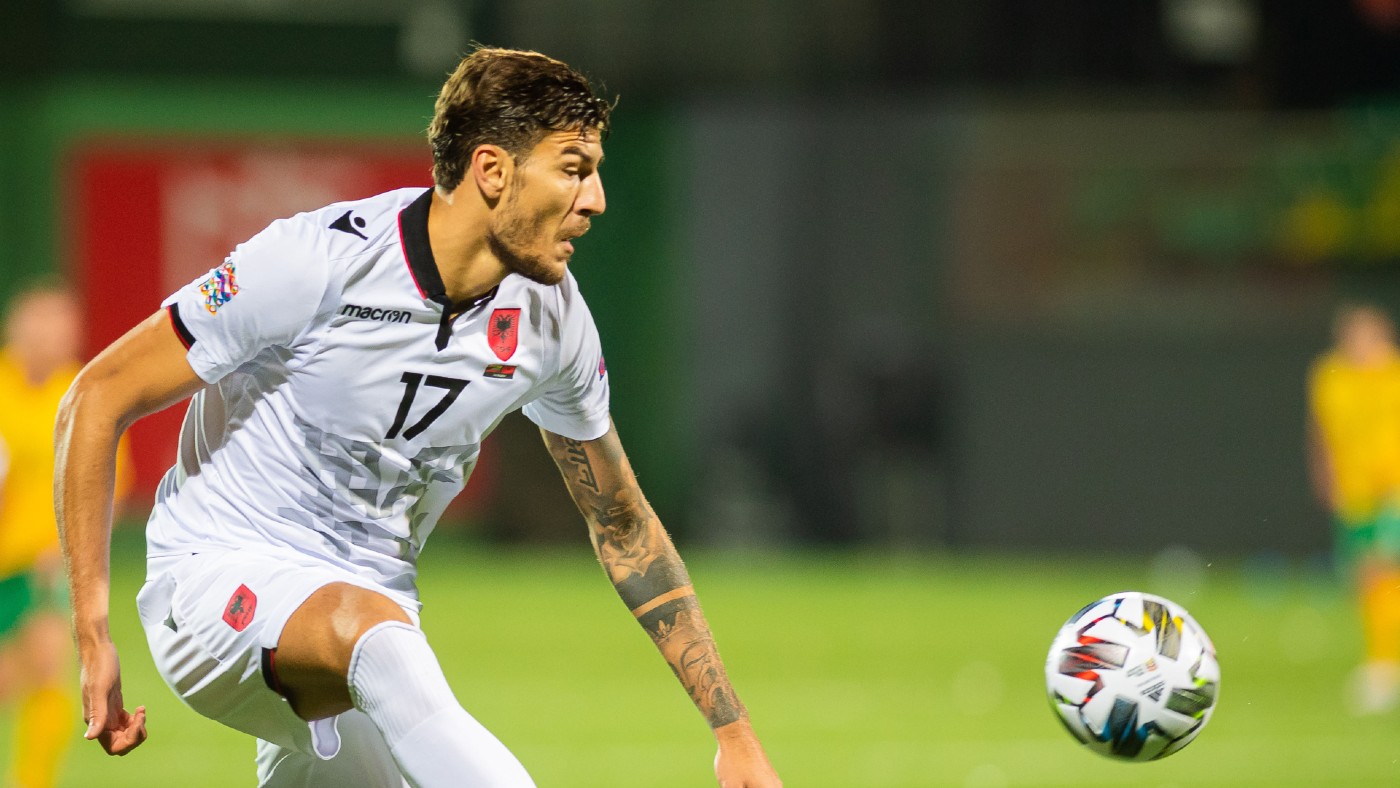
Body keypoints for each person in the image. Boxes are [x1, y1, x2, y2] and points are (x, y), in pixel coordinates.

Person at [56, 47, 782, 787]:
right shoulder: (316, 262)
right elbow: (95, 398)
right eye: (573, 169)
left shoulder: (552, 321)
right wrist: (92, 635)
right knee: (374, 637)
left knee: (376, 643)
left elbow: (622, 524)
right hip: (218, 580)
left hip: (367, 636)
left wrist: (735, 734)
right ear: (492, 170)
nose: (594, 199)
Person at [0, 283, 130, 787]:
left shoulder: (80, 393)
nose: (53, 337)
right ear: (18, 328)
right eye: (42, 326)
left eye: (62, 328)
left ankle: (33, 781)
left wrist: (72, 552)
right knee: (10, 679)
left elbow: (110, 485)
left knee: (47, 665)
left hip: (44, 562)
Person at [1307, 303, 1400, 714]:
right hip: (1355, 493)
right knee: (1367, 578)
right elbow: (1322, 431)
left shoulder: (1393, 374)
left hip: (1394, 489)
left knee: (1383, 568)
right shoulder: (1330, 376)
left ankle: (1383, 668)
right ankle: (1382, 660)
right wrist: (1325, 474)